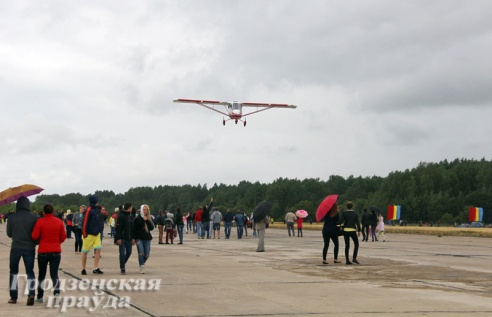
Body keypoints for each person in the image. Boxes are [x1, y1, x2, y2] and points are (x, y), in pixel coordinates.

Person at [31, 204, 66, 302]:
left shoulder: (40, 222)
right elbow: (63, 236)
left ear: (43, 211)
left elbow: (34, 236)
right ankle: (56, 293)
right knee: (54, 274)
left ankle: (40, 296)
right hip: (55, 250)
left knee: (42, 274)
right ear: (53, 211)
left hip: (43, 251)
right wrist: (57, 242)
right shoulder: (59, 222)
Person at [7, 196, 38, 305]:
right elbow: (36, 234)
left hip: (16, 247)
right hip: (29, 247)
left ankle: (13, 297)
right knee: (30, 271)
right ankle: (31, 293)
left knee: (13, 272)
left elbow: (9, 234)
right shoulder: (34, 218)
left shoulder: (11, 217)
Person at [81, 195, 104, 275]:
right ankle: (83, 268)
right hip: (88, 234)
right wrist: (84, 234)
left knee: (98, 249)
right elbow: (84, 222)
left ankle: (95, 267)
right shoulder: (89, 210)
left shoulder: (96, 210)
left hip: (96, 234)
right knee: (85, 251)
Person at [115, 202, 135, 275]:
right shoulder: (121, 216)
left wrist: (133, 238)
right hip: (122, 238)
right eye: (131, 207)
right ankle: (122, 268)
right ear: (129, 208)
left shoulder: (131, 217)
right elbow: (118, 228)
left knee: (129, 253)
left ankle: (122, 263)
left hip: (129, 238)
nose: (132, 209)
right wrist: (118, 238)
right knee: (122, 253)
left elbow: (132, 229)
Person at [134, 204, 154, 274]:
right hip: (139, 238)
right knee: (141, 252)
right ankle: (142, 266)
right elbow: (136, 228)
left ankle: (142, 262)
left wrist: (147, 221)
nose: (145, 211)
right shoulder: (138, 218)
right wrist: (133, 238)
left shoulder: (148, 218)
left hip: (147, 238)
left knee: (147, 254)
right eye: (144, 209)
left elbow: (151, 228)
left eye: (146, 209)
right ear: (141, 210)